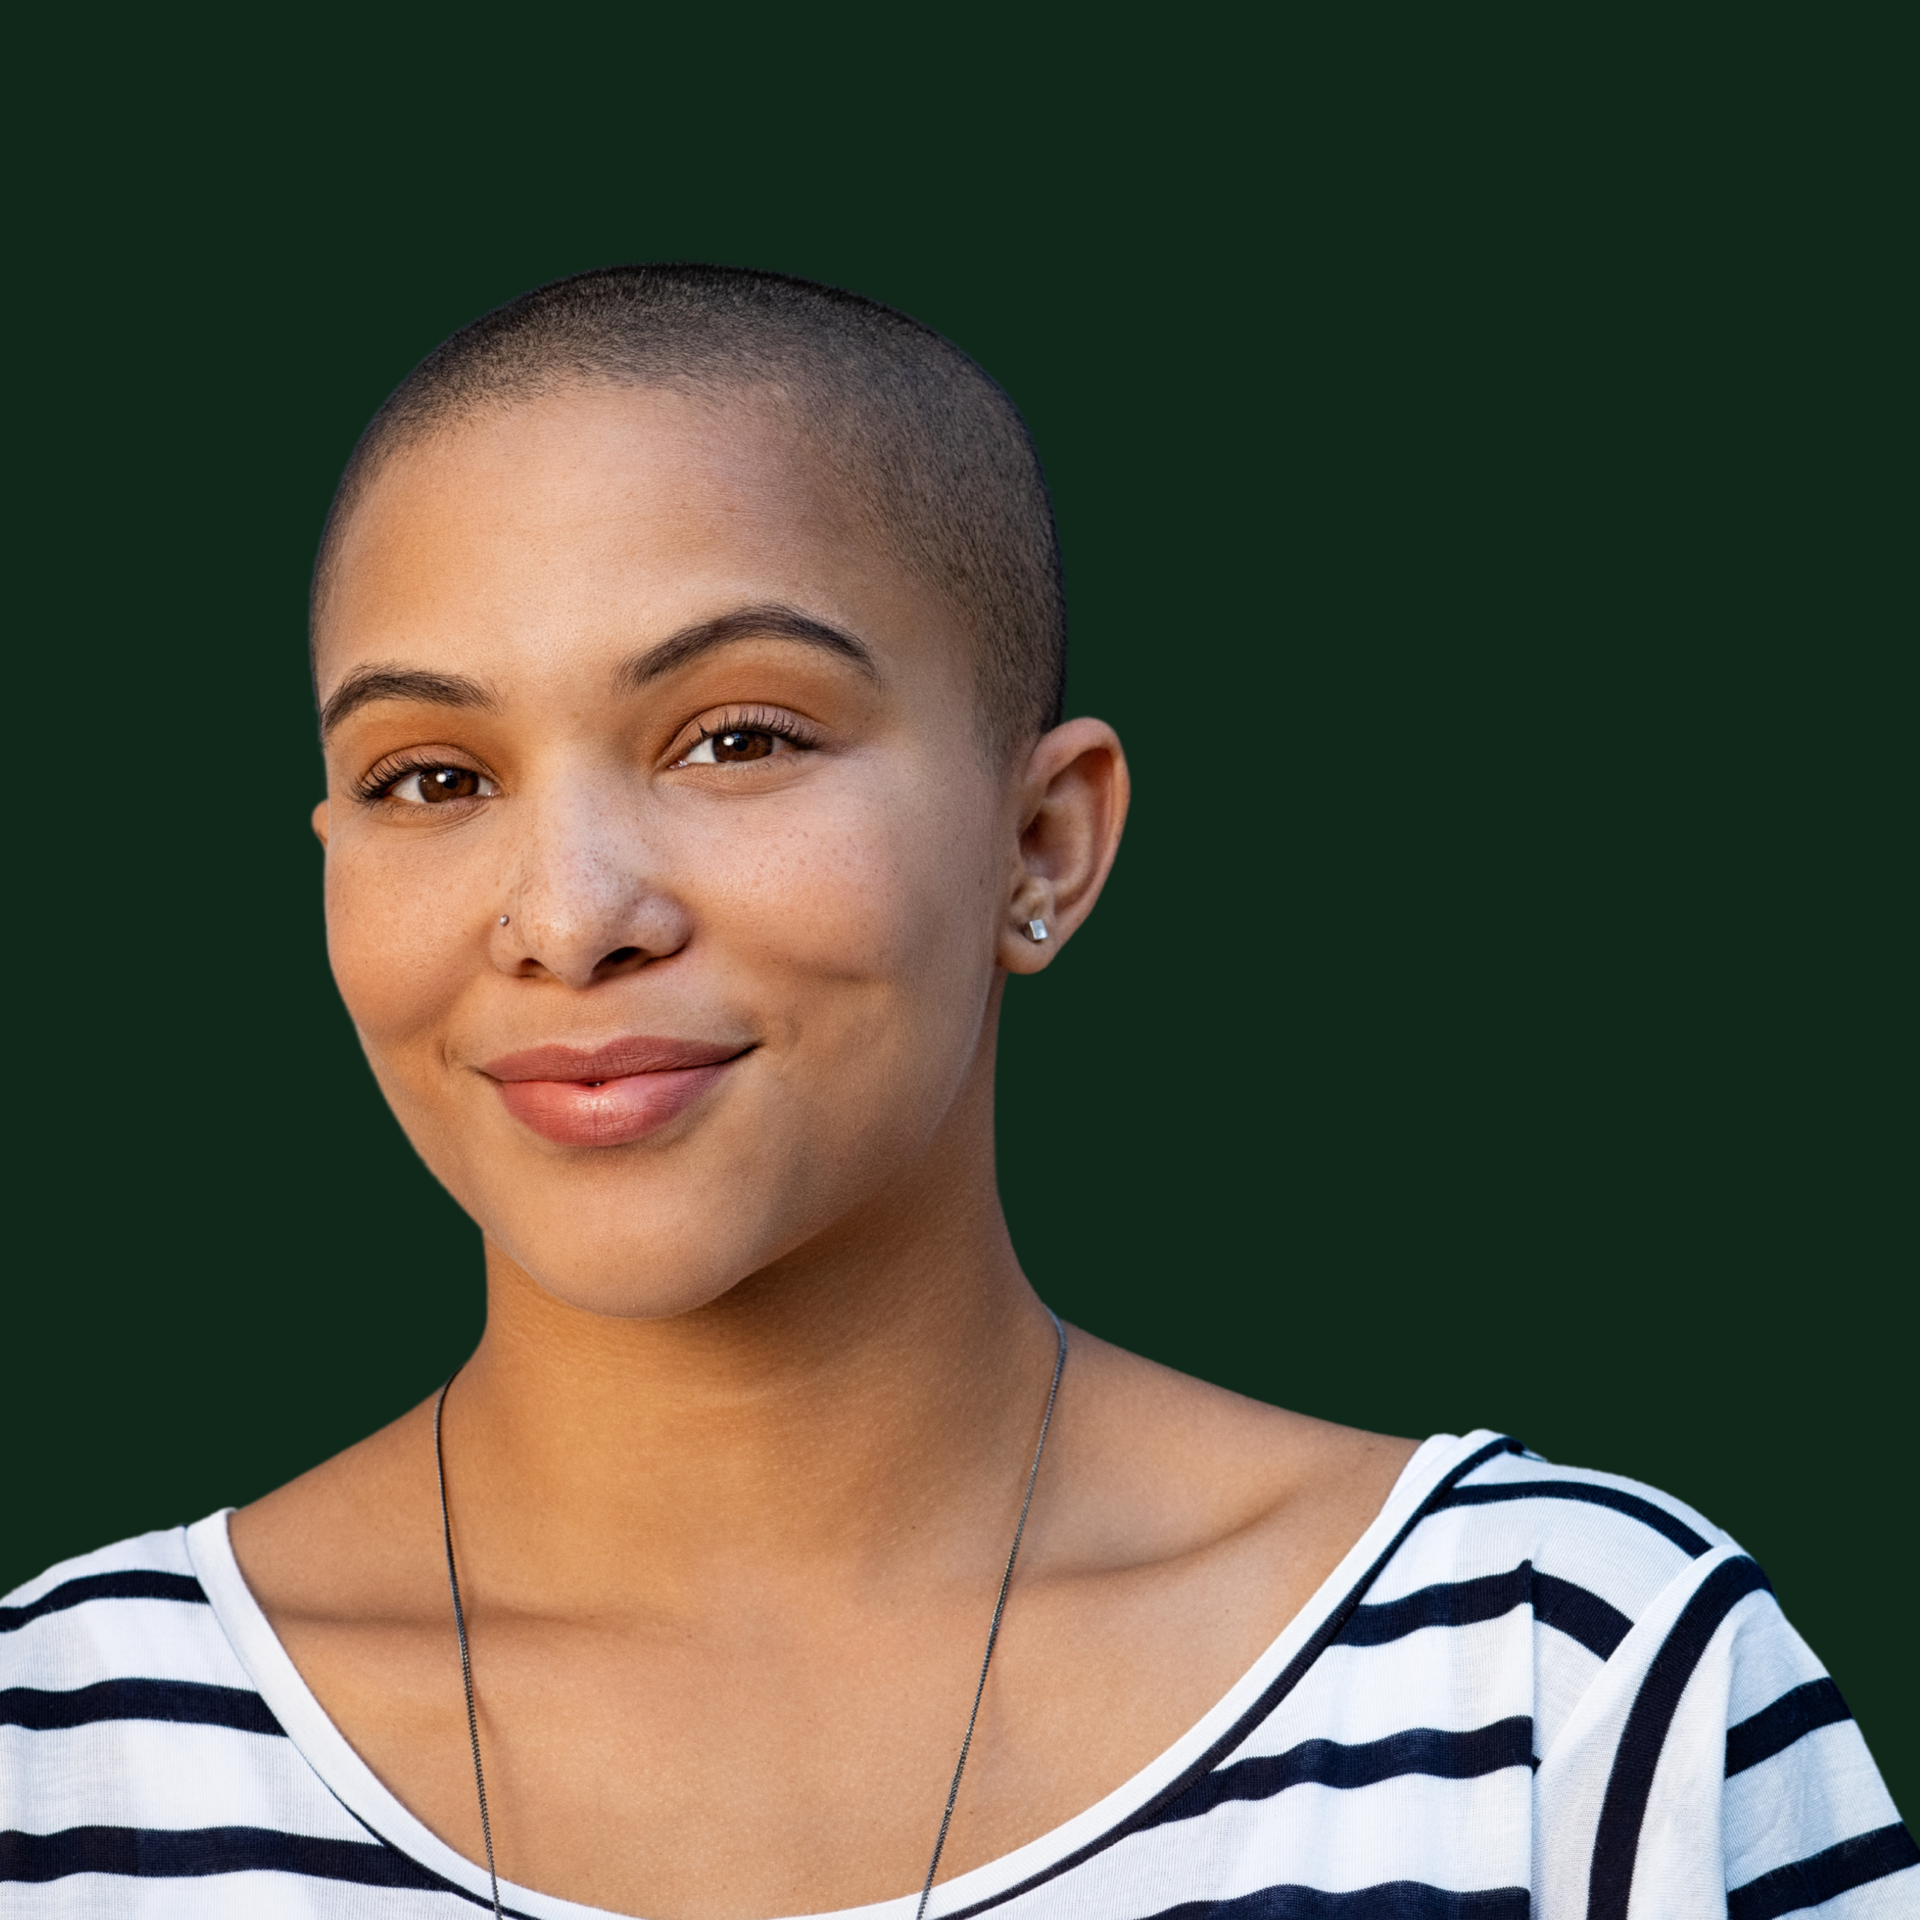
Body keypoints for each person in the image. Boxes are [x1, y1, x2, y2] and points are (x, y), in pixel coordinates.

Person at [1, 265, 1909, 1920]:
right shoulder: (56, 1767)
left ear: (1044, 842)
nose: (570, 919)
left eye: (739, 736)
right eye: (432, 776)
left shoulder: (1556, 1696)